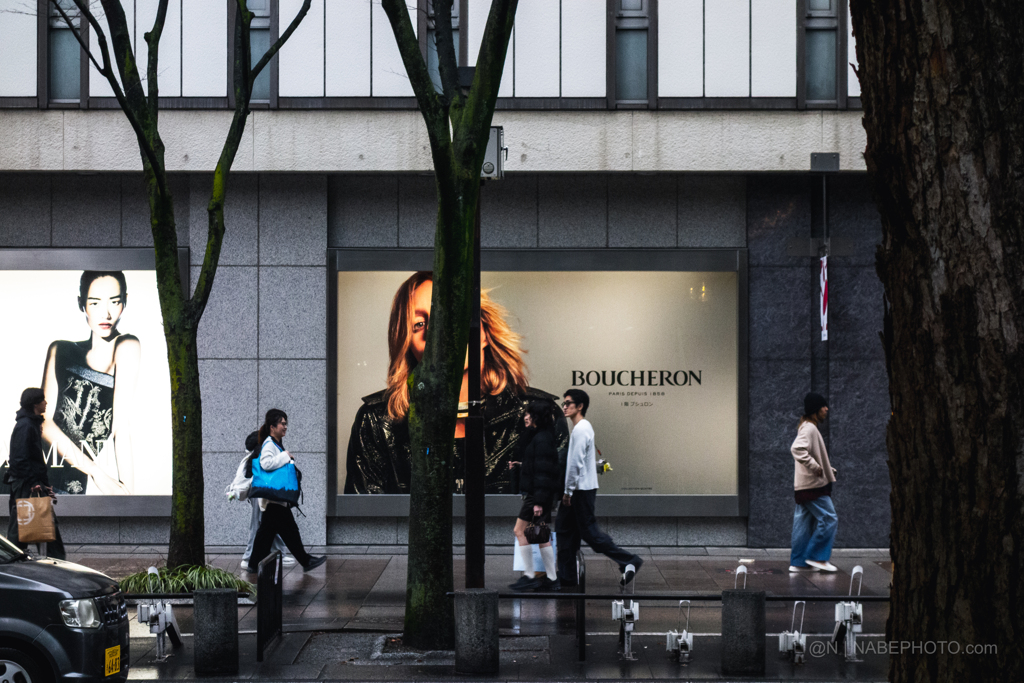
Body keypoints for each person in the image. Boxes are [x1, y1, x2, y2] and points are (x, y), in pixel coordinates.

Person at [344, 271, 565, 495]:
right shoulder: (376, 422)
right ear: (406, 344)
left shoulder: (540, 416)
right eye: (418, 324)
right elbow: (368, 523)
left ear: (485, 332)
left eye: (448, 317)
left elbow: (554, 513)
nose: (434, 332)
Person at [40, 271, 137, 495]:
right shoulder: (60, 349)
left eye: (115, 302)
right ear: (81, 304)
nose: (106, 313)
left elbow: (120, 428)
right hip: (27, 472)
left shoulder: (127, 345)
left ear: (125, 302)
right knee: (29, 530)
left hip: (68, 484)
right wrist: (96, 472)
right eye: (95, 303)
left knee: (43, 530)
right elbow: (43, 423)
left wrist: (128, 494)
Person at [555, 389, 643, 587]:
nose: (565, 406)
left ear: (580, 406)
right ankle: (567, 578)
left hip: (579, 491)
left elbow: (575, 463)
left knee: (590, 534)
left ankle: (629, 560)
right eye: (564, 403)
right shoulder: (582, 428)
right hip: (581, 489)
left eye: (569, 403)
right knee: (564, 529)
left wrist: (568, 491)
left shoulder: (580, 429)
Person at [246, 409, 326, 573]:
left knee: (266, 534)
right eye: (282, 423)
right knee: (290, 532)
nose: (285, 426)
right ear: (272, 427)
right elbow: (265, 463)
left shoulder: (274, 443)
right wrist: (285, 456)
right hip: (275, 498)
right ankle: (305, 560)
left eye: (285, 423)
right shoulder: (269, 444)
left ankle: (253, 564)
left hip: (276, 500)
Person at [5, 388, 66, 559]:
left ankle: (55, 562)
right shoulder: (25, 426)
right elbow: (19, 458)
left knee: (38, 525)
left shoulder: (30, 424)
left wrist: (45, 485)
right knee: (22, 527)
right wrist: (34, 483)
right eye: (43, 400)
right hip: (27, 485)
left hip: (31, 484)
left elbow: (32, 460)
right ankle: (13, 562)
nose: (46, 403)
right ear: (35, 404)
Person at [508, 401, 561, 592]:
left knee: (519, 531)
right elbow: (541, 468)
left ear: (536, 417)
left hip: (536, 496)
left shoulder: (541, 439)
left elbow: (543, 472)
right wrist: (522, 466)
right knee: (540, 535)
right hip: (540, 495)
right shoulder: (543, 437)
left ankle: (530, 575)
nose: (525, 417)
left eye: (528, 414)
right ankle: (552, 578)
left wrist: (538, 502)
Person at [789, 392, 839, 572]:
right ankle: (817, 557)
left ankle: (798, 562)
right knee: (829, 518)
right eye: (823, 406)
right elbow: (797, 449)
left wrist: (825, 469)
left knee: (802, 523)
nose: (826, 409)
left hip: (804, 486)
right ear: (815, 410)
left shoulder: (806, 427)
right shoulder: (810, 428)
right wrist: (817, 468)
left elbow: (808, 453)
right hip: (813, 485)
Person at [239, 430, 294, 569]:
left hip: (261, 492)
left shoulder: (256, 455)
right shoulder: (265, 451)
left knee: (269, 523)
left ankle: (274, 553)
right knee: (261, 524)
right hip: (263, 493)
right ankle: (249, 556)